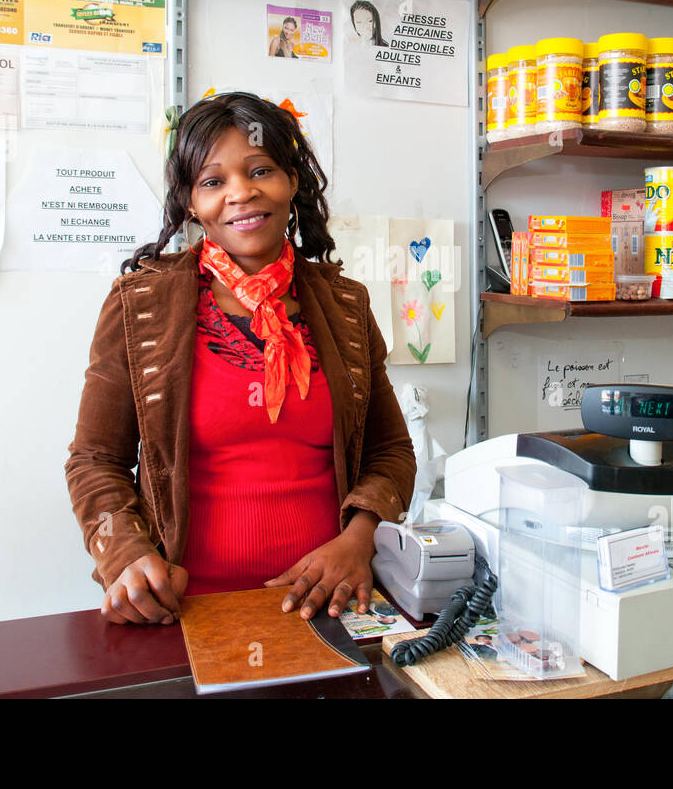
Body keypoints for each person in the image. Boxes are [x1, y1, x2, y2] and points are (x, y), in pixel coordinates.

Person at [65, 91, 415, 625]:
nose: (241, 193)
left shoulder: (346, 305)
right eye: (213, 181)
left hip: (333, 605)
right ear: (189, 201)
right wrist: (125, 555)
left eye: (260, 170)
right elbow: (95, 460)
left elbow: (390, 450)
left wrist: (359, 540)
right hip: (186, 612)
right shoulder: (140, 306)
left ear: (292, 181)